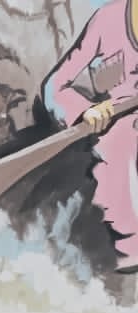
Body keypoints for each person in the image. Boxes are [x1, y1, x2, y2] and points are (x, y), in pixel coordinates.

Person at [43, 0, 138, 272]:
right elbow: (54, 88)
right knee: (120, 142)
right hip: (117, 135)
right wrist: (85, 111)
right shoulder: (108, 20)